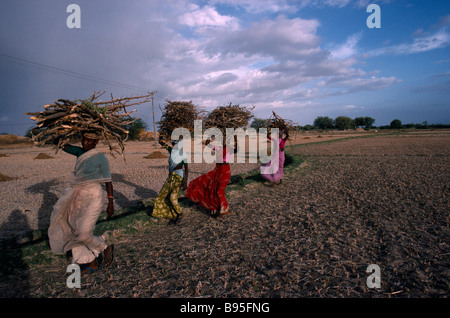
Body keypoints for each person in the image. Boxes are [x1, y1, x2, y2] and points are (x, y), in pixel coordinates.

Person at [48, 132, 114, 274]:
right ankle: (90, 262)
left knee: (83, 234)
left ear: (96, 141)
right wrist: (62, 129)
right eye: (84, 139)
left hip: (94, 196)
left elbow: (108, 181)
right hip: (77, 195)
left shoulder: (101, 158)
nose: (85, 142)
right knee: (72, 229)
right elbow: (59, 143)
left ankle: (104, 247)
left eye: (89, 140)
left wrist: (110, 203)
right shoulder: (79, 152)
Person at [186, 136, 237, 218]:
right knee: (211, 187)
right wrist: (208, 138)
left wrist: (236, 139)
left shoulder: (229, 149)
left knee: (219, 191)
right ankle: (220, 207)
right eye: (223, 141)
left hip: (225, 172)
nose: (224, 142)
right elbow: (208, 145)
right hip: (218, 171)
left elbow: (237, 150)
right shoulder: (219, 149)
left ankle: (223, 210)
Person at [152, 137, 189, 225]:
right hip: (171, 177)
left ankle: (180, 215)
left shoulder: (183, 154)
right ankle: (173, 215)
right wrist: (160, 137)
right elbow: (162, 143)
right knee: (163, 196)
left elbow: (187, 168)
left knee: (173, 197)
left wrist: (185, 182)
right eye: (174, 144)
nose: (175, 146)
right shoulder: (171, 151)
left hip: (178, 177)